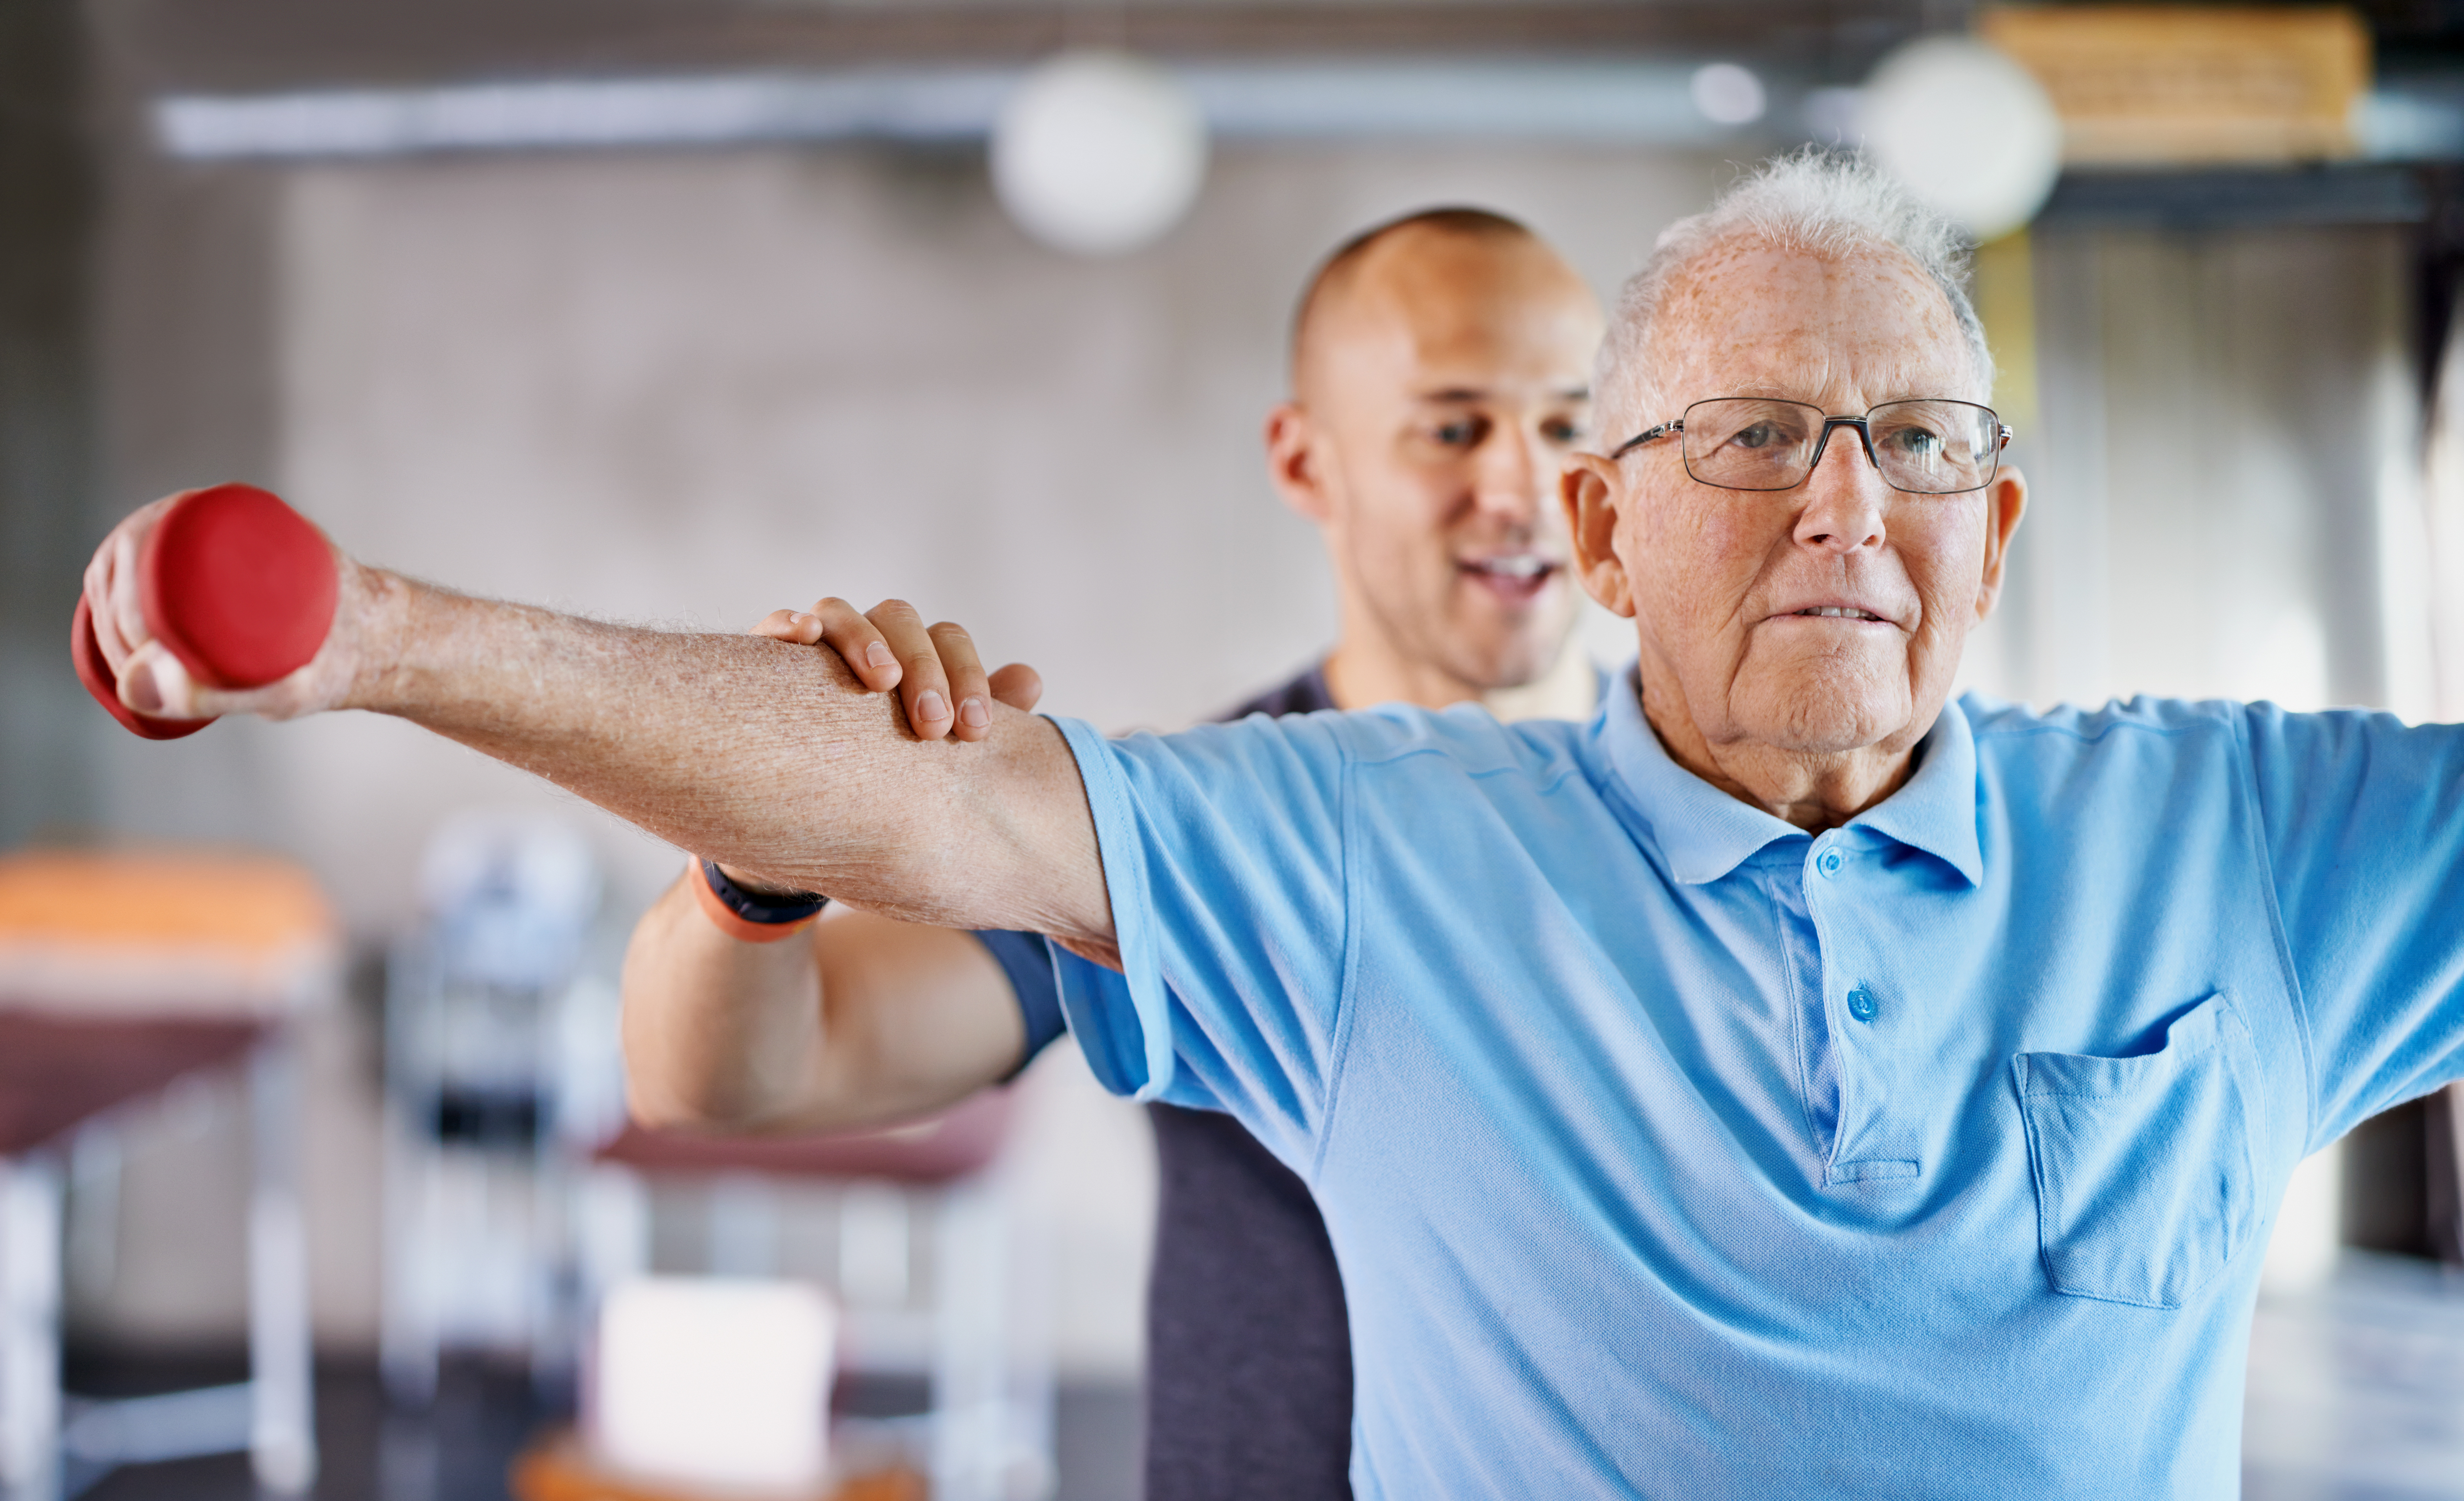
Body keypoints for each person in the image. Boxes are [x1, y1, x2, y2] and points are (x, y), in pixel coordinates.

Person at [81, 149, 2464, 1496]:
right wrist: (380, 637)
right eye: (1745, 435)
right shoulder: (1331, 831)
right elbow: (777, 999)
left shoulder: (2225, 835)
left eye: (1916, 441)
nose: (1846, 505)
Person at [624, 205, 1604, 1498]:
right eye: (1454, 426)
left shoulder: (1714, 809)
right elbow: (739, 1074)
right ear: (1307, 465)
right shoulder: (1185, 824)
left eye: (1568, 423)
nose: (1524, 485)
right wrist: (761, 855)